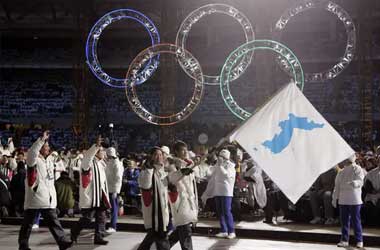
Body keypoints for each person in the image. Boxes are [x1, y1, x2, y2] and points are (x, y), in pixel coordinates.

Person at [18, 131, 72, 250]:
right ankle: (23, 244)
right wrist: (41, 140)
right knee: (27, 224)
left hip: (47, 197)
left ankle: (62, 241)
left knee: (53, 221)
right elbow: (32, 152)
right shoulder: (34, 160)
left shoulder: (49, 160)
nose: (48, 149)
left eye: (48, 147)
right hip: (35, 197)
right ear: (40, 148)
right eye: (46, 147)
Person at [70, 137, 110, 245]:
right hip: (91, 196)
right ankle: (74, 232)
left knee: (101, 217)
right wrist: (95, 146)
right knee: (87, 219)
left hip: (100, 194)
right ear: (96, 152)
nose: (103, 152)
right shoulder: (87, 162)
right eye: (101, 150)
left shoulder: (101, 163)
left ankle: (99, 237)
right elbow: (88, 156)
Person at [137, 147, 170, 250]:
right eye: (156, 154)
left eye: (160, 154)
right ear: (150, 156)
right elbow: (146, 185)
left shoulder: (163, 171)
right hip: (153, 212)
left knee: (151, 238)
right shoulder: (146, 171)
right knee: (160, 238)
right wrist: (149, 168)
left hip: (162, 212)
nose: (159, 157)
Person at [168, 141, 198, 250]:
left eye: (186, 149)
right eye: (182, 150)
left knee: (180, 231)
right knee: (185, 231)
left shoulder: (188, 163)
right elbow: (172, 179)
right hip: (180, 201)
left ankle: (161, 247)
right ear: (176, 151)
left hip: (189, 200)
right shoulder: (172, 165)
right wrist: (183, 171)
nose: (185, 152)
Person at [332, 155, 365, 248]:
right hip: (343, 199)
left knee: (356, 220)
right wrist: (334, 198)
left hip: (354, 199)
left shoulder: (358, 169)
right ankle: (344, 240)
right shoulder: (341, 172)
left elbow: (360, 181)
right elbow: (336, 187)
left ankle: (359, 240)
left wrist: (355, 183)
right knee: (344, 221)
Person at [202, 149, 236, 239]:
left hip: (226, 192)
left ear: (226, 158)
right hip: (218, 191)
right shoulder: (217, 165)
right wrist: (205, 165)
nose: (219, 158)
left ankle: (231, 231)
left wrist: (220, 166)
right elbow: (210, 174)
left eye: (221, 157)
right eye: (219, 157)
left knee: (226, 211)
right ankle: (224, 230)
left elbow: (227, 175)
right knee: (220, 211)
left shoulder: (230, 166)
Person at [105, 147, 123, 233]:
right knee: (111, 208)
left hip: (113, 189)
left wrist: (116, 190)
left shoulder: (117, 164)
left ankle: (113, 226)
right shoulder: (110, 162)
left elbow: (118, 178)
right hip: (108, 188)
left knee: (114, 208)